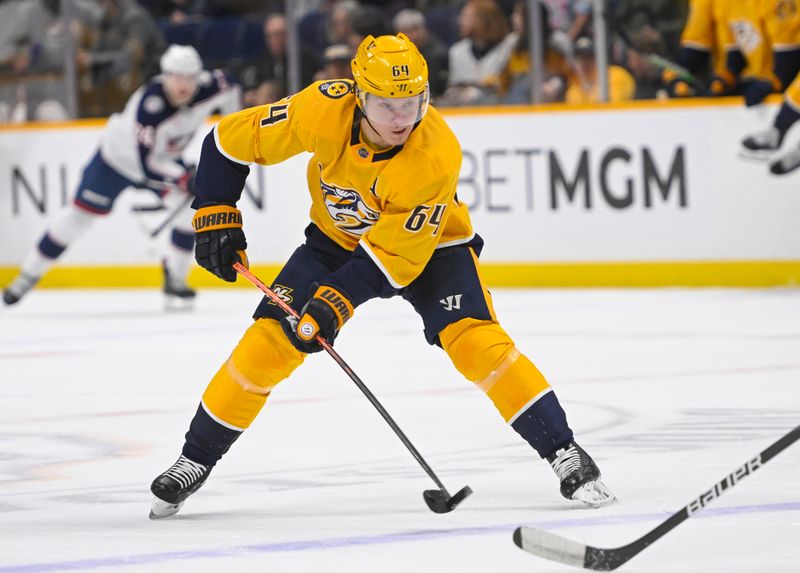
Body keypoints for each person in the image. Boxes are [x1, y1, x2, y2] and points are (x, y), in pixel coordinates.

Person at [148, 33, 616, 520]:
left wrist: (333, 302)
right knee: (266, 345)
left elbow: (393, 261)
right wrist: (215, 209)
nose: (403, 119)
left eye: (413, 103)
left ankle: (564, 450)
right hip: (336, 239)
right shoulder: (320, 109)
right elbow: (226, 142)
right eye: (388, 105)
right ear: (358, 95)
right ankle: (193, 460)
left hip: (431, 248)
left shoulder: (436, 155)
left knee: (476, 343)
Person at [2, 45, 241, 307]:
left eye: (190, 78)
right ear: (165, 75)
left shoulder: (214, 87)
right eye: (176, 77)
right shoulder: (151, 107)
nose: (183, 85)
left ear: (199, 77)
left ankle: (175, 278)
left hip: (163, 160)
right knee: (77, 216)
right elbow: (147, 165)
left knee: (190, 214)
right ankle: (27, 274)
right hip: (116, 162)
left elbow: (232, 89)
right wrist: (184, 179)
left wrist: (231, 131)